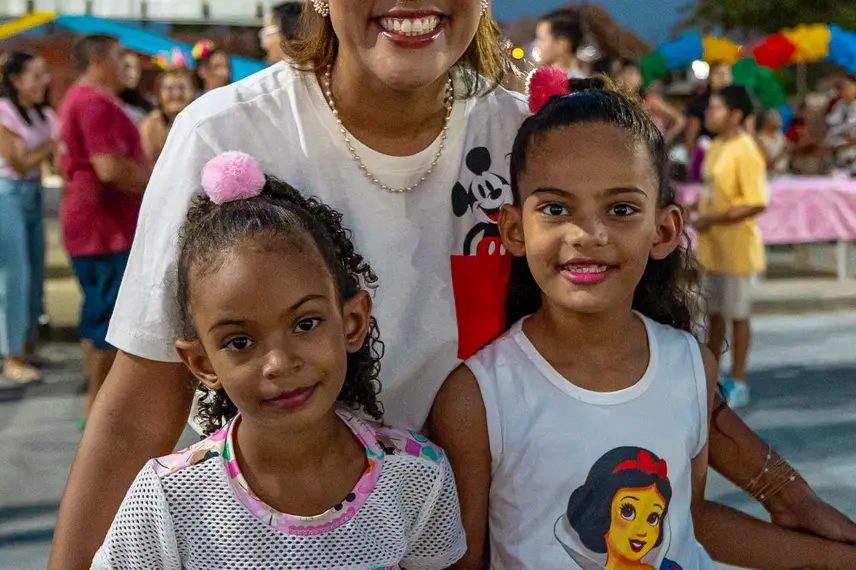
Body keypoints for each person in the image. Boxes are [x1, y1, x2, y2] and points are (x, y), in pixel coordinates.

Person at [48, 3, 856, 569]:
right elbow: (135, 412)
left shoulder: (532, 141)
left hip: (463, 538)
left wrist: (781, 490)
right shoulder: (226, 134)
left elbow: (640, 353)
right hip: (266, 534)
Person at [430, 72, 856, 570]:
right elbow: (466, 559)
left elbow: (688, 518)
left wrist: (835, 556)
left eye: (620, 208)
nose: (587, 233)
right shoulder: (477, 398)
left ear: (664, 229)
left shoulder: (689, 366)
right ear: (513, 229)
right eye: (555, 208)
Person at [91, 151, 466, 569]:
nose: (279, 363)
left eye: (305, 324)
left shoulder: (417, 478)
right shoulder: (169, 498)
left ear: (353, 322)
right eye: (238, 342)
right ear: (202, 363)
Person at [56, 35, 150, 426]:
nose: (123, 64)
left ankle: (97, 404)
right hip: (105, 227)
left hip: (95, 224)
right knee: (109, 320)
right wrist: (159, 181)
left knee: (98, 313)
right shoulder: (93, 102)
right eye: (116, 57)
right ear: (98, 60)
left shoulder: (77, 99)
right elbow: (110, 168)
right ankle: (99, 408)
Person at [694, 85, 768, 410]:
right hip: (713, 246)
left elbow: (755, 202)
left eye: (717, 108)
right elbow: (711, 191)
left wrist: (713, 218)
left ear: (735, 114)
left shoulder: (746, 149)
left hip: (736, 245)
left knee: (738, 314)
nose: (710, 114)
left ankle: (738, 380)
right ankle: (714, 375)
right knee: (714, 314)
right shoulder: (715, 146)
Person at [0, 51, 54, 384]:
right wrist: (48, 148)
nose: (42, 81)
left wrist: (43, 149)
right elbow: (18, 162)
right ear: (16, 79)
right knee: (14, 274)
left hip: (33, 193)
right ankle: (12, 356)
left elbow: (41, 157)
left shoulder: (41, 114)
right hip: (7, 193)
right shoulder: (4, 111)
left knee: (35, 270)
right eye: (35, 74)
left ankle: (29, 344)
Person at [614, 59, 686, 144]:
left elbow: (680, 120)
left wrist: (663, 141)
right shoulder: (619, 101)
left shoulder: (648, 100)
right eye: (625, 74)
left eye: (633, 74)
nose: (628, 78)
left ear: (640, 79)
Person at [684, 62, 733, 179]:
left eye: (727, 74)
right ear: (710, 77)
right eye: (719, 74)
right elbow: (690, 138)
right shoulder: (700, 104)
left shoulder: (736, 105)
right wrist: (693, 165)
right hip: (707, 160)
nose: (723, 79)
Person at [139, 68, 196, 163]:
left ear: (193, 92)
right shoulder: (150, 126)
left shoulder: (200, 121)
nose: (176, 94)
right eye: (169, 89)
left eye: (182, 88)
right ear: (159, 94)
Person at [534, 8, 586, 79]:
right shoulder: (543, 81)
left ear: (562, 44)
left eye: (541, 39)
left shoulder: (575, 87)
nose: (536, 44)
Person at [826, 74, 856, 177]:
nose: (845, 90)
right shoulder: (838, 107)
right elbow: (831, 132)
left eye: (848, 86)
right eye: (843, 87)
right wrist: (845, 142)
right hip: (839, 159)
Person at [117, 49, 153, 125]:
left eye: (136, 67)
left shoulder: (147, 106)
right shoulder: (110, 102)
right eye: (126, 67)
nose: (132, 73)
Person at [757, 108, 789, 175]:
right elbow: (764, 165)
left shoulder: (780, 135)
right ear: (767, 121)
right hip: (769, 176)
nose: (780, 119)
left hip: (784, 174)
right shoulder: (760, 139)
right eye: (776, 117)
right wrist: (781, 153)